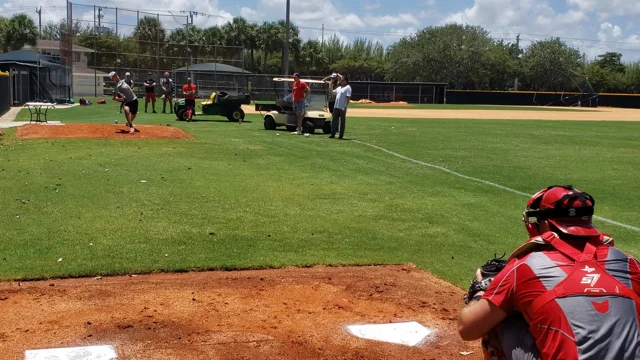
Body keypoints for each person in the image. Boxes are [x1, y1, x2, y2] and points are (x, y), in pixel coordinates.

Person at [457, 185, 640, 360]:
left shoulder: (524, 266)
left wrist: (481, 290)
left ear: (544, 224)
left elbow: (467, 329)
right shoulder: (630, 264)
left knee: (501, 320)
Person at [328, 75, 351, 139]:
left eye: (342, 80)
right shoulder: (339, 88)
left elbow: (348, 97)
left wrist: (345, 106)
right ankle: (332, 134)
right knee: (334, 121)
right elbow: (332, 93)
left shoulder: (348, 88)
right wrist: (331, 85)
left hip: (342, 107)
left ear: (346, 81)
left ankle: (341, 135)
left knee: (342, 122)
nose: (340, 81)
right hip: (336, 106)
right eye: (340, 80)